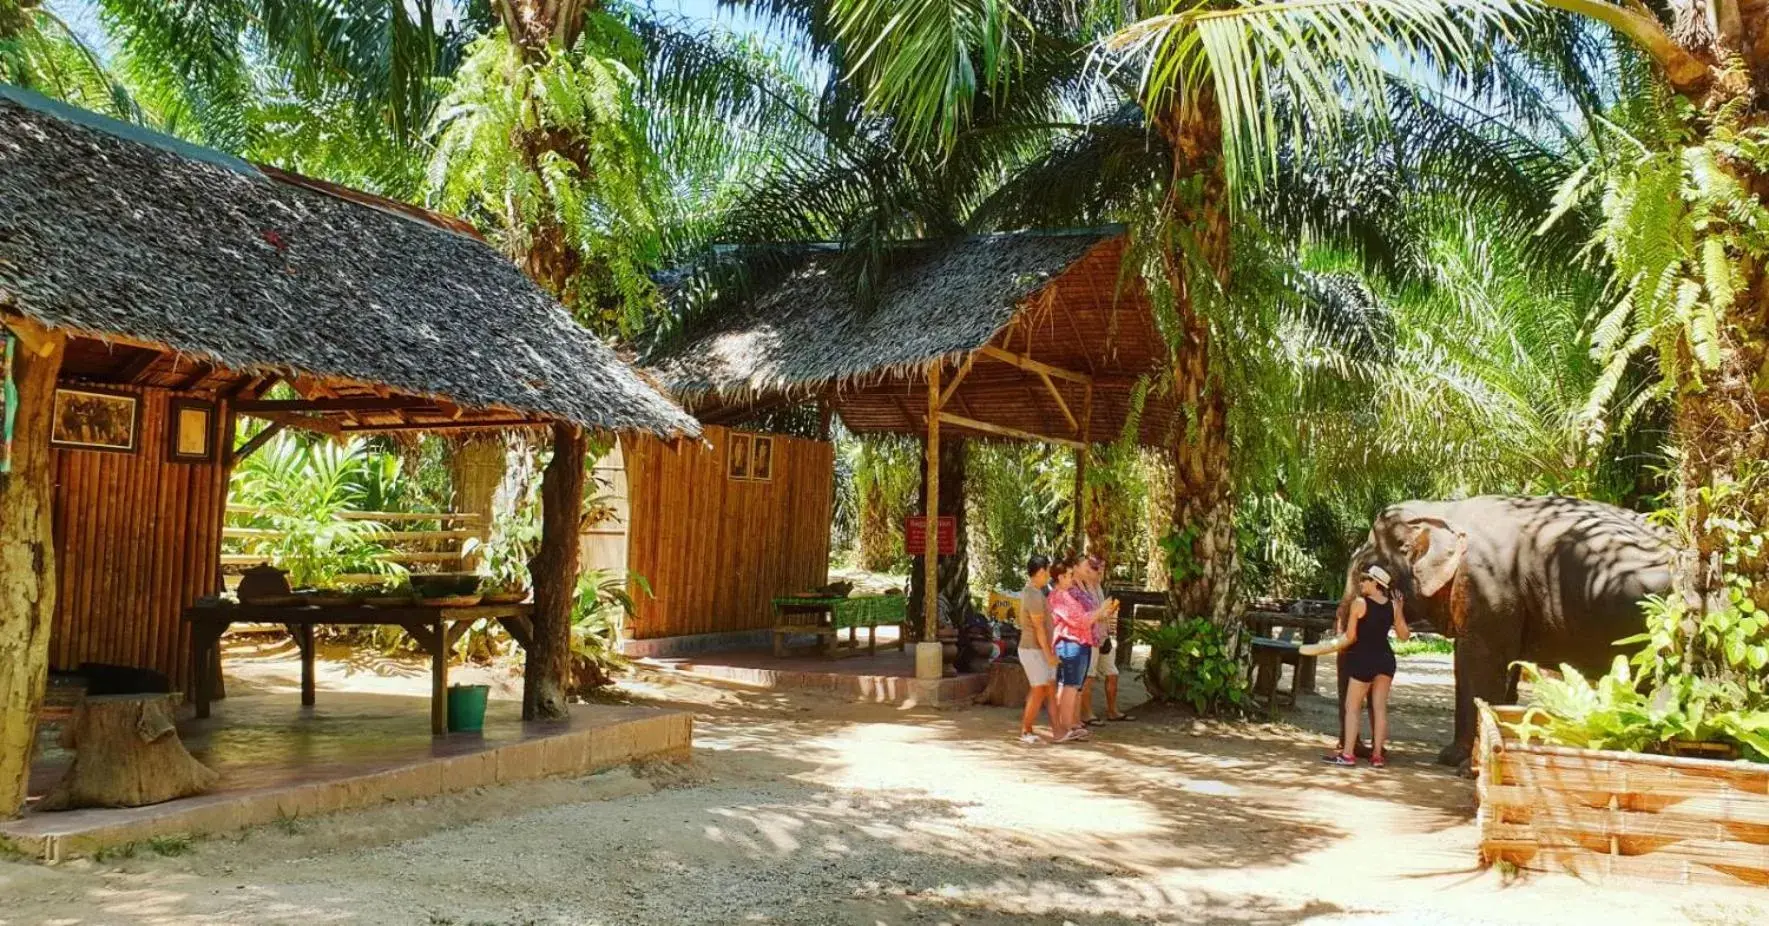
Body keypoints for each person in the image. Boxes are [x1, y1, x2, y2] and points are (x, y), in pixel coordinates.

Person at [1322, 564, 1409, 768]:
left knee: (1352, 707)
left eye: (1365, 580)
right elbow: (1404, 636)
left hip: (1364, 659)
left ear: (1375, 584)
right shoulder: (1393, 606)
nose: (1361, 583)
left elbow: (1351, 636)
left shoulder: (1359, 603)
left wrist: (1335, 642)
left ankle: (1348, 755)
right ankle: (1377, 756)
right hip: (1386, 659)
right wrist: (1400, 611)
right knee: (1379, 709)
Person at [1048, 557, 1119, 744]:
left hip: (1079, 642)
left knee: (1071, 686)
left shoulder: (1067, 594)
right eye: (1069, 575)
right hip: (1071, 643)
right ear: (1061, 577)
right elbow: (1080, 620)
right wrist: (1100, 611)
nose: (1072, 578)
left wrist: (1100, 613)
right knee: (1070, 686)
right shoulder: (1060, 596)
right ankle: (1064, 727)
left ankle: (1067, 725)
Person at [1075, 555, 1132, 724]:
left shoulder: (1098, 586)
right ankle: (1086, 714)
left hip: (1103, 635)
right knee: (1089, 675)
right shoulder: (1080, 588)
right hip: (1090, 637)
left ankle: (1112, 711)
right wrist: (1102, 612)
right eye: (1094, 568)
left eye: (1100, 568)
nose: (1099, 572)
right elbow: (1087, 615)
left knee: (1112, 673)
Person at [1015, 555, 1058, 744]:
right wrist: (1048, 654)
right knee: (1039, 688)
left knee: (1042, 688)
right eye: (1047, 571)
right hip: (1032, 648)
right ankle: (1026, 730)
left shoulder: (1035, 592)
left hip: (1036, 648)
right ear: (1041, 572)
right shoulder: (1032, 594)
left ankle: (1032, 728)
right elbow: (1039, 627)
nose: (1049, 575)